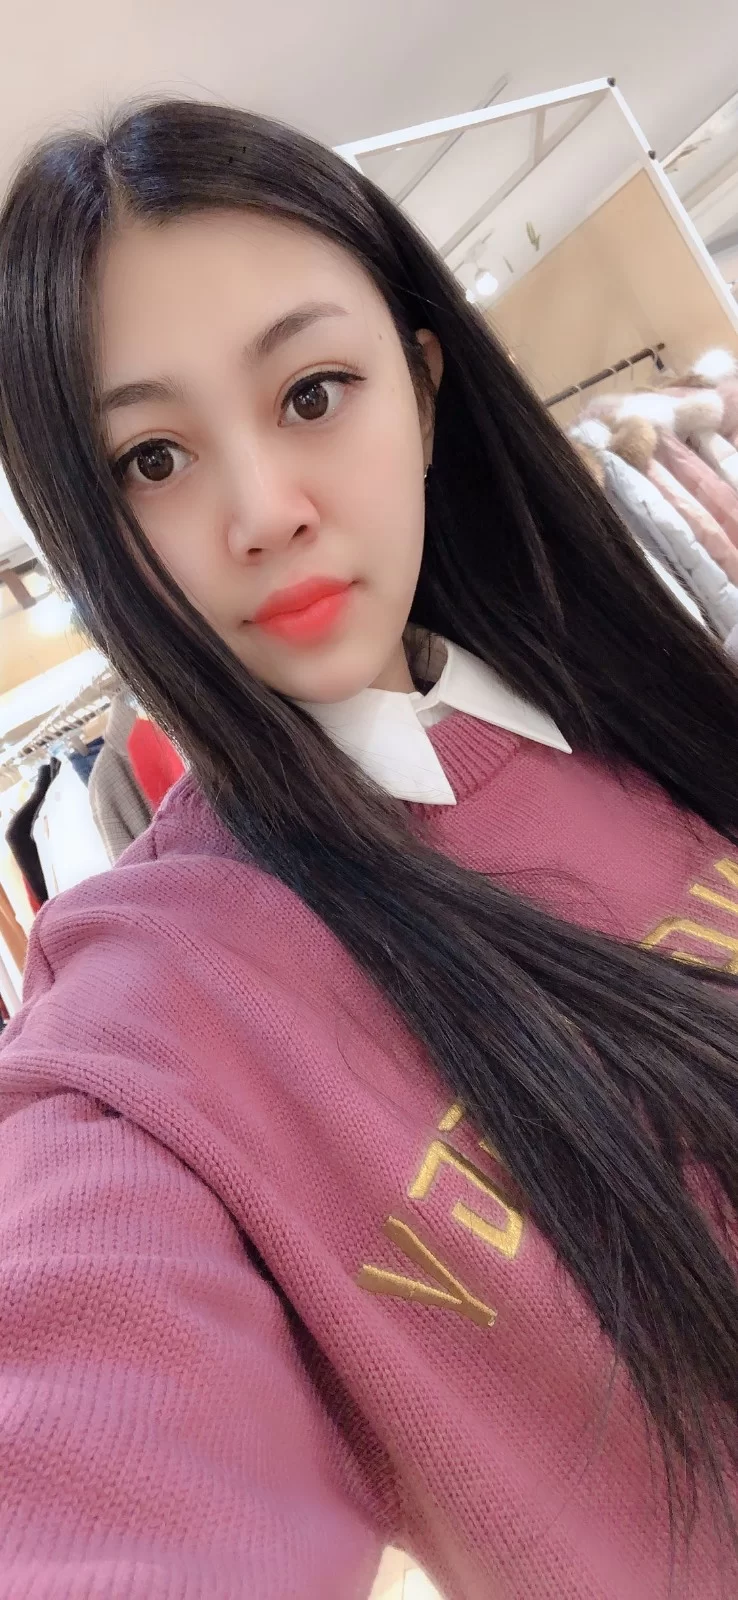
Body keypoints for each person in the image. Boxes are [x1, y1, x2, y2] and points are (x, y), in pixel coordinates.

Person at [0, 99, 736, 1600]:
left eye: (313, 392)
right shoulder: (152, 1027)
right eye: (151, 459)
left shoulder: (639, 700)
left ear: (423, 382)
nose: (263, 513)